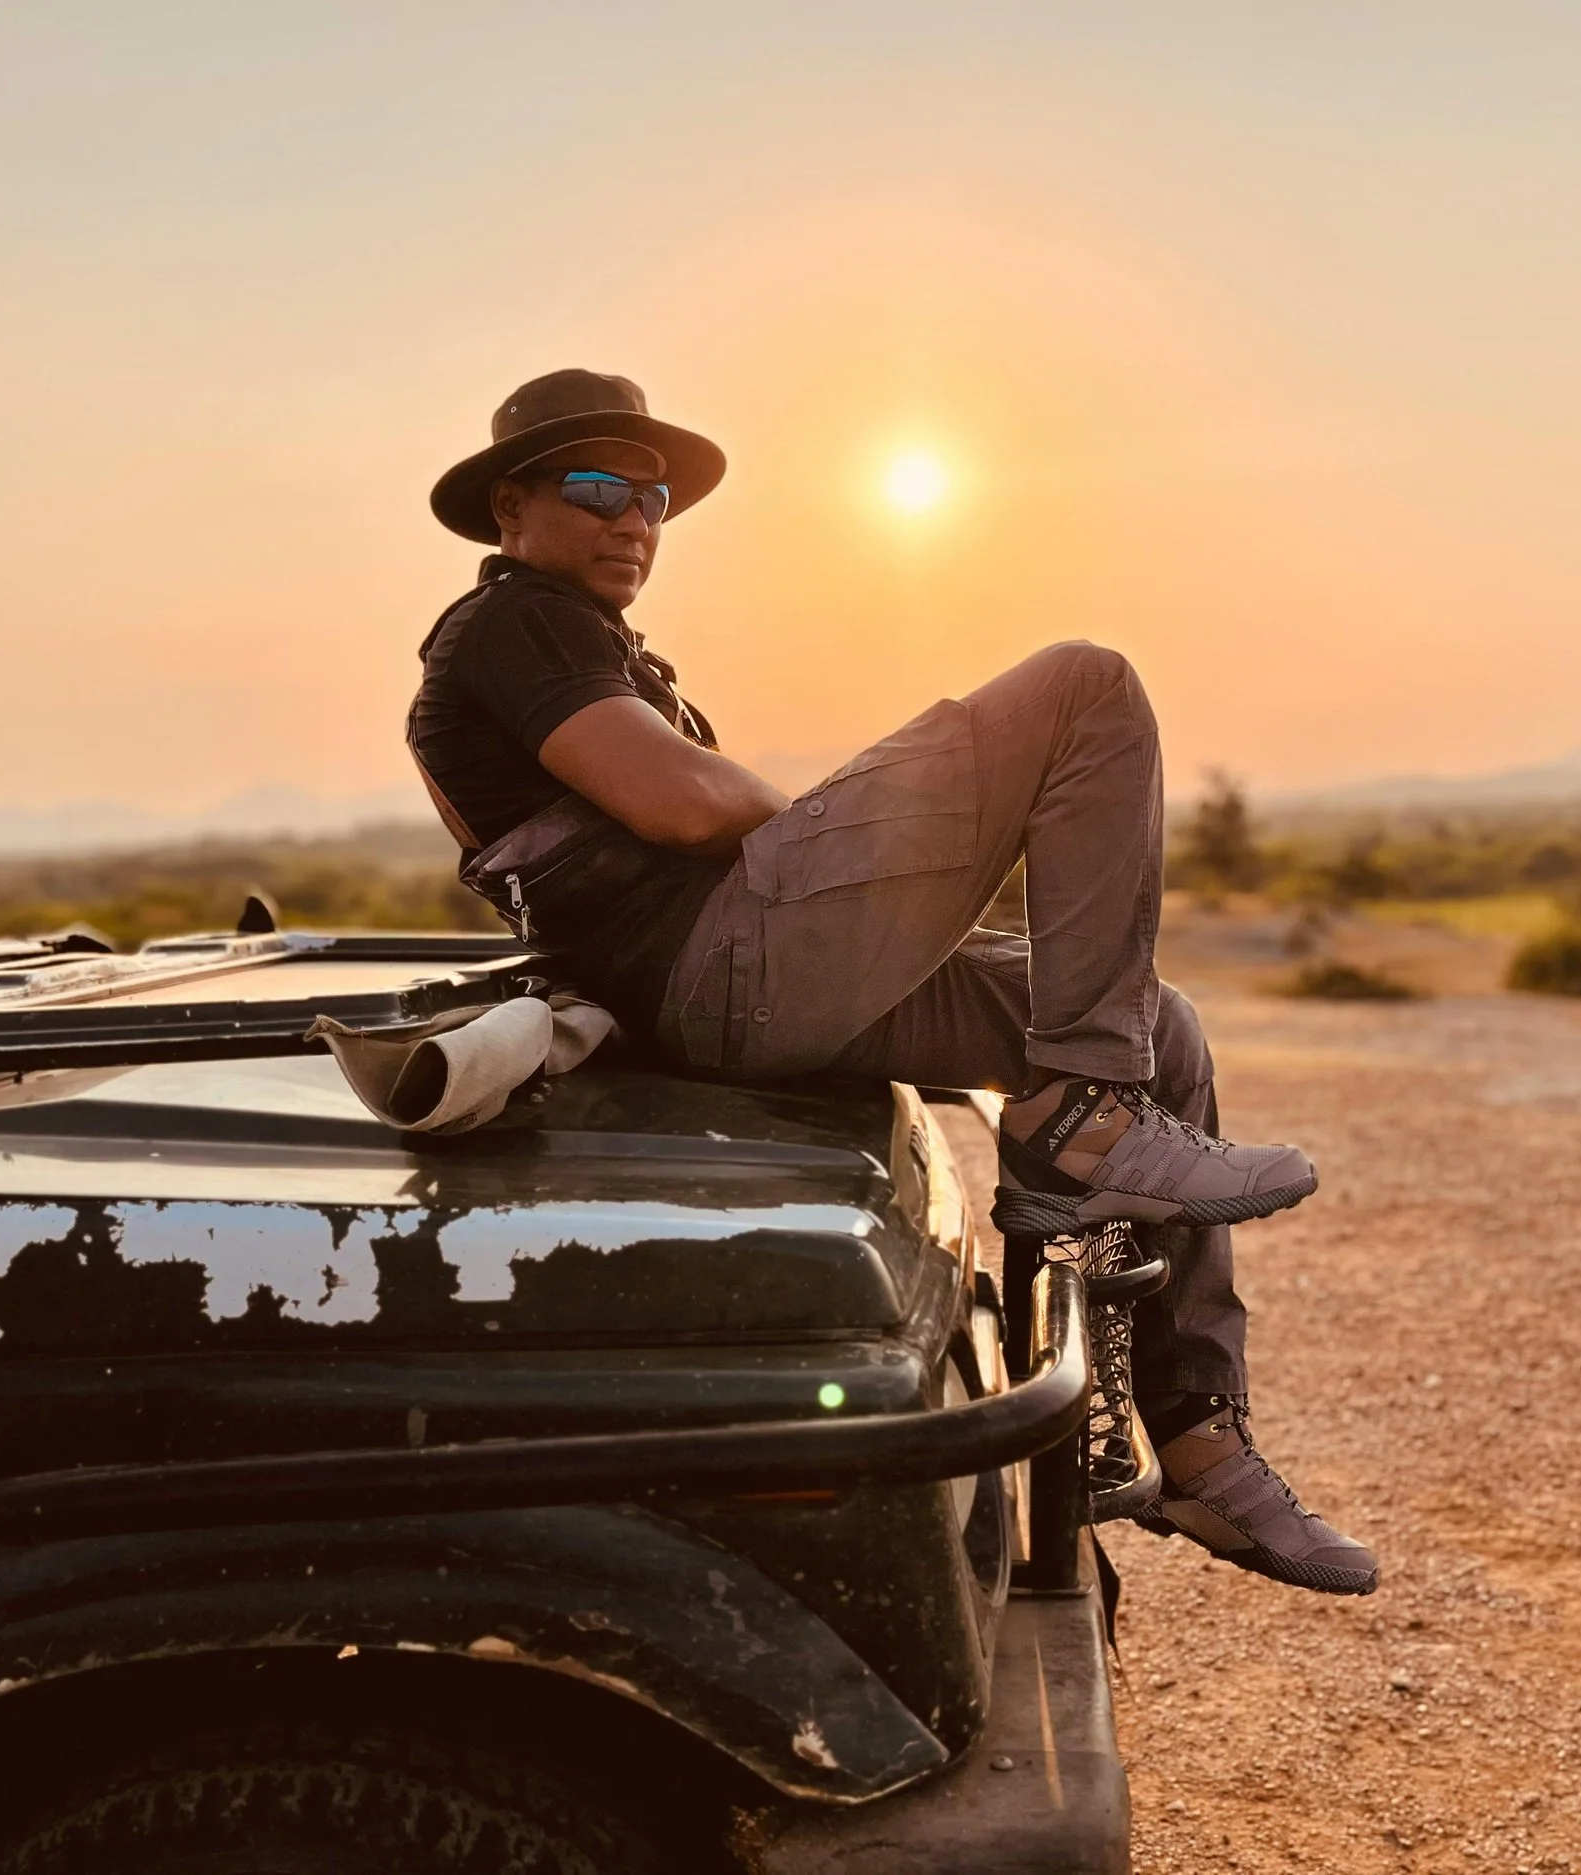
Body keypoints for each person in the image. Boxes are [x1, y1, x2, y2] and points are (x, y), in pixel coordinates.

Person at [406, 369, 1377, 1596]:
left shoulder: (594, 648)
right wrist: (839, 835)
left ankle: (1200, 1445)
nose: (635, 521)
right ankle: (1084, 1119)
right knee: (1086, 685)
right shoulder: (509, 624)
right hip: (721, 966)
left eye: (653, 499)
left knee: (1159, 1028)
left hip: (730, 973)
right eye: (599, 488)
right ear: (511, 507)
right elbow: (682, 801)